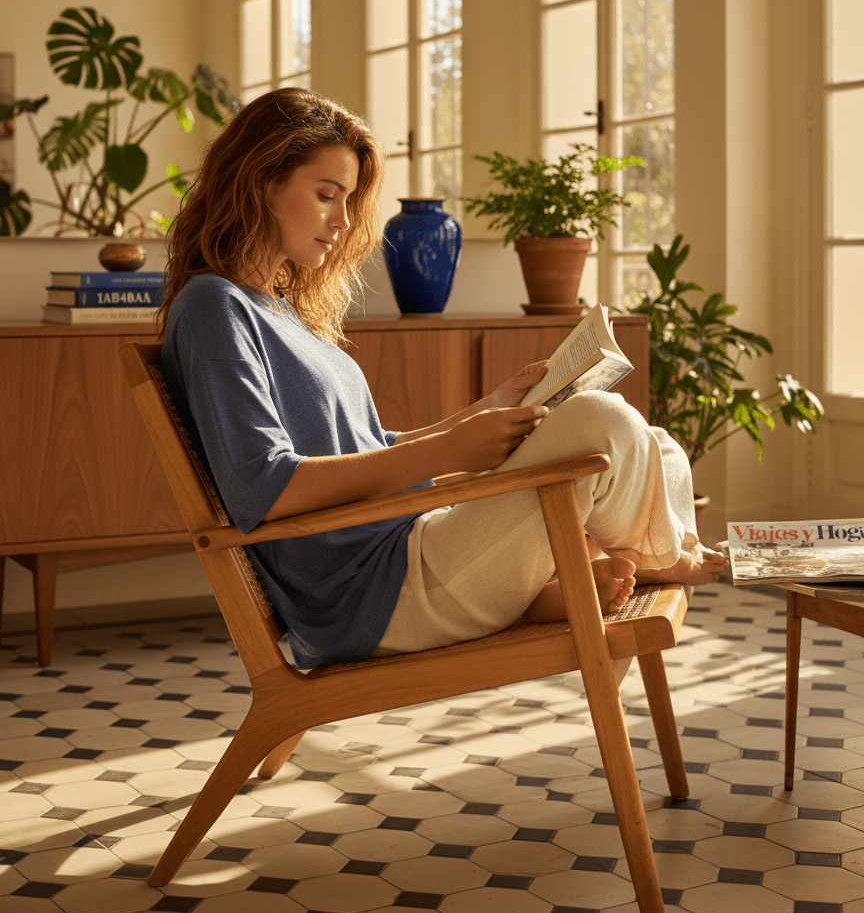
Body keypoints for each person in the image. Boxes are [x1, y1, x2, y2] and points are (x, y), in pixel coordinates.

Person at [159, 88, 726, 671]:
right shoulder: (214, 308)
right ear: (259, 183)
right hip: (377, 592)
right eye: (327, 195)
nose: (345, 221)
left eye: (350, 199)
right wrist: (451, 450)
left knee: (657, 446)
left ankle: (562, 582)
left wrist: (483, 412)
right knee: (602, 424)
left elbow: (372, 454)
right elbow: (266, 488)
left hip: (415, 543)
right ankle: (653, 556)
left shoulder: (280, 310)